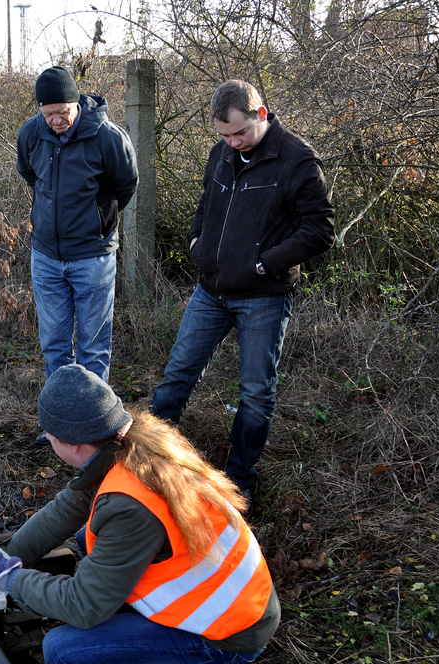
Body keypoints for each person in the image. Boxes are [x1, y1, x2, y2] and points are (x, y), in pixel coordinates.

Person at [0, 364, 280, 664]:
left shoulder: (129, 506)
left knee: (63, 648)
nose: (47, 437)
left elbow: (85, 606)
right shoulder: (130, 445)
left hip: (229, 634)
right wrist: (7, 555)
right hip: (231, 597)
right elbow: (66, 509)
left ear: (74, 444)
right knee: (87, 536)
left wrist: (5, 577)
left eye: (50, 432)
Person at [150, 80, 335, 512]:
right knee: (177, 375)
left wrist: (264, 263)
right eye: (225, 136)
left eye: (240, 134)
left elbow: (320, 229)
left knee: (255, 392)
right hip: (211, 289)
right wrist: (197, 241)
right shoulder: (222, 153)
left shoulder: (298, 159)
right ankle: (150, 464)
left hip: (264, 296)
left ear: (262, 115)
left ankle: (237, 485)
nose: (233, 143)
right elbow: (206, 204)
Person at [17, 65, 138, 447]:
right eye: (48, 112)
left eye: (63, 112)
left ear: (77, 104)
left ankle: (96, 428)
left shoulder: (106, 137)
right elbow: (30, 176)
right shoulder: (30, 134)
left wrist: (100, 222)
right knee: (54, 343)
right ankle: (60, 426)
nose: (56, 120)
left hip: (93, 258)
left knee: (93, 346)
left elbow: (126, 182)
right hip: (47, 257)